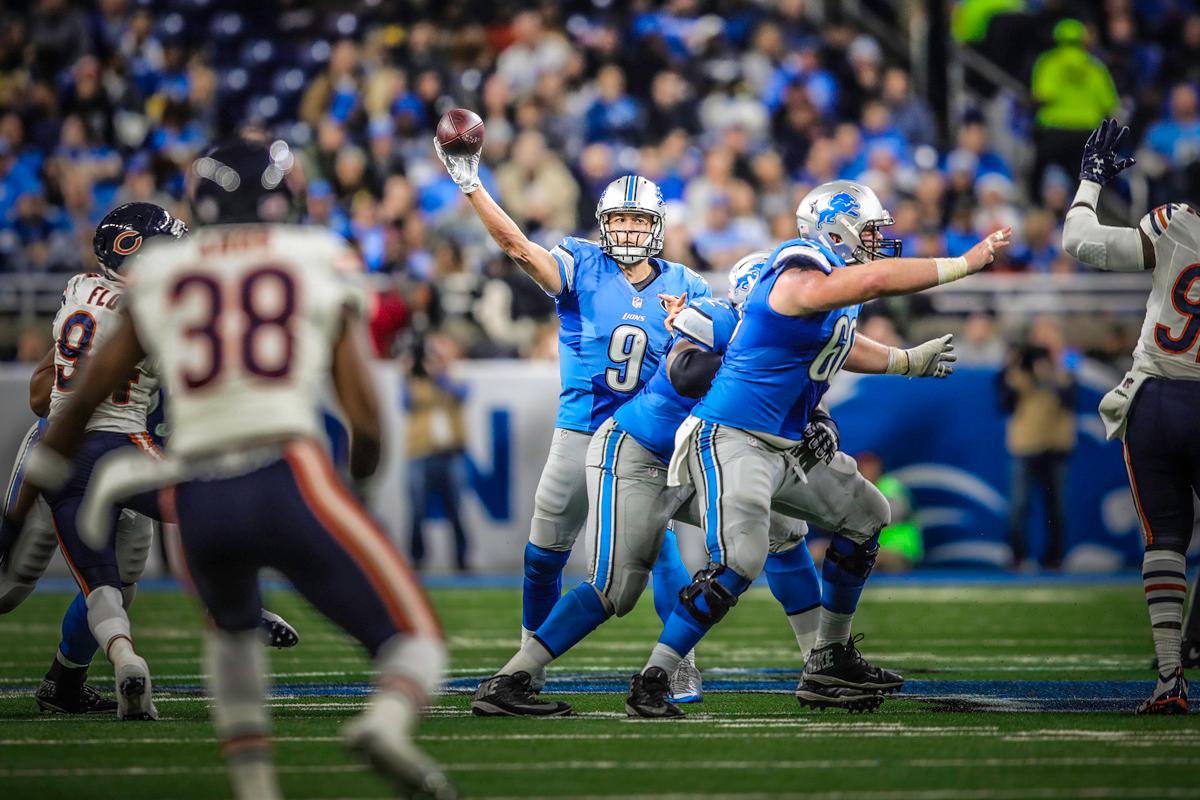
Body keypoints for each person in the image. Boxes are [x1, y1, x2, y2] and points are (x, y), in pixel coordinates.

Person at [11, 140, 453, 798]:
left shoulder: (162, 275)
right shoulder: (316, 256)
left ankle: (253, 788)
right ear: (283, 199)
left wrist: (30, 489)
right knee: (417, 643)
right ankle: (386, 726)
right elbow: (364, 418)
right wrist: (358, 489)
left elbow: (74, 403)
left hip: (199, 494)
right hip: (285, 471)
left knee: (232, 636)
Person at [623, 180, 1010, 719]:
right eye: (870, 230)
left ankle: (828, 656)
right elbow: (873, 279)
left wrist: (904, 361)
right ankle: (655, 678)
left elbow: (843, 343)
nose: (877, 241)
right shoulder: (797, 271)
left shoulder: (826, 291)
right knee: (741, 560)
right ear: (837, 229)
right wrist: (963, 263)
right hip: (733, 435)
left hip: (784, 444)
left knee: (869, 513)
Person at [434, 135, 711, 692]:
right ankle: (526, 662)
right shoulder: (581, 262)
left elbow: (708, 365)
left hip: (641, 439)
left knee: (659, 551)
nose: (628, 232)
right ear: (603, 223)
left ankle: (677, 659)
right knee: (543, 558)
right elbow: (517, 247)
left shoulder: (688, 286)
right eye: (619, 221)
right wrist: (472, 186)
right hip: (581, 431)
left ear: (657, 226)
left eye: (638, 222)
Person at [1, 204, 300, 717]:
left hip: (126, 453)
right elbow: (41, 395)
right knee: (12, 583)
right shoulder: (164, 315)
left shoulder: (90, 292)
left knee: (122, 579)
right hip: (75, 442)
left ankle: (64, 683)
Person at [1061, 117, 1200, 715]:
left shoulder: (1177, 223)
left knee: (1164, 540)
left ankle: (1170, 677)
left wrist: (1090, 182)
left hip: (1153, 399)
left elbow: (1081, 242)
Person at [403, 334, 472, 572]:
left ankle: (461, 559)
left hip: (450, 453)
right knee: (417, 509)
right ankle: (417, 558)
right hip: (421, 452)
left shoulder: (454, 378)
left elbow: (462, 394)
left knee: (456, 509)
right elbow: (405, 402)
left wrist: (439, 373)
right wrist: (414, 370)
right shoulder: (414, 380)